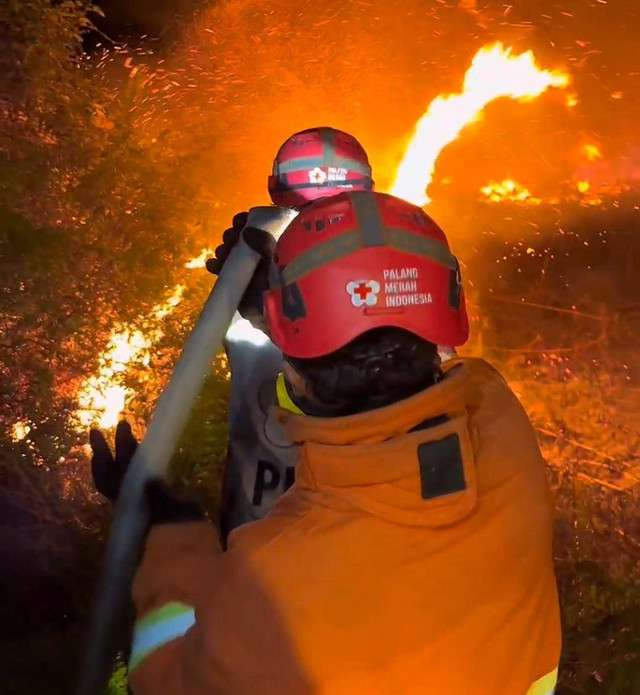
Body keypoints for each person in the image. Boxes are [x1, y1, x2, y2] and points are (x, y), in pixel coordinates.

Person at [92, 190, 561, 694]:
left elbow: (166, 679)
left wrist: (169, 531)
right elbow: (406, 361)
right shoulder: (500, 421)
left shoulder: (272, 586)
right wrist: (290, 321)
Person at [210, 126, 377, 541]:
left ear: (277, 194)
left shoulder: (251, 274)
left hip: (268, 529)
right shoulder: (395, 280)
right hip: (332, 532)